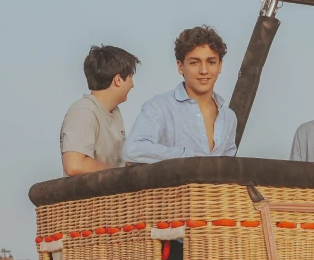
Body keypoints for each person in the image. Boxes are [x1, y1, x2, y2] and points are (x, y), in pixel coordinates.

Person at [122, 26, 237, 163]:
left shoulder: (229, 117)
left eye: (211, 62)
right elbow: (132, 150)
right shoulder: (159, 107)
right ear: (180, 66)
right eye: (194, 62)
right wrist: (187, 159)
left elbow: (230, 167)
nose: (204, 70)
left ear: (220, 66)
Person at [59, 45, 139, 176]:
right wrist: (121, 173)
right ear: (118, 80)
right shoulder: (83, 111)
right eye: (130, 77)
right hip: (89, 196)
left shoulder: (114, 112)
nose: (132, 84)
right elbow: (74, 165)